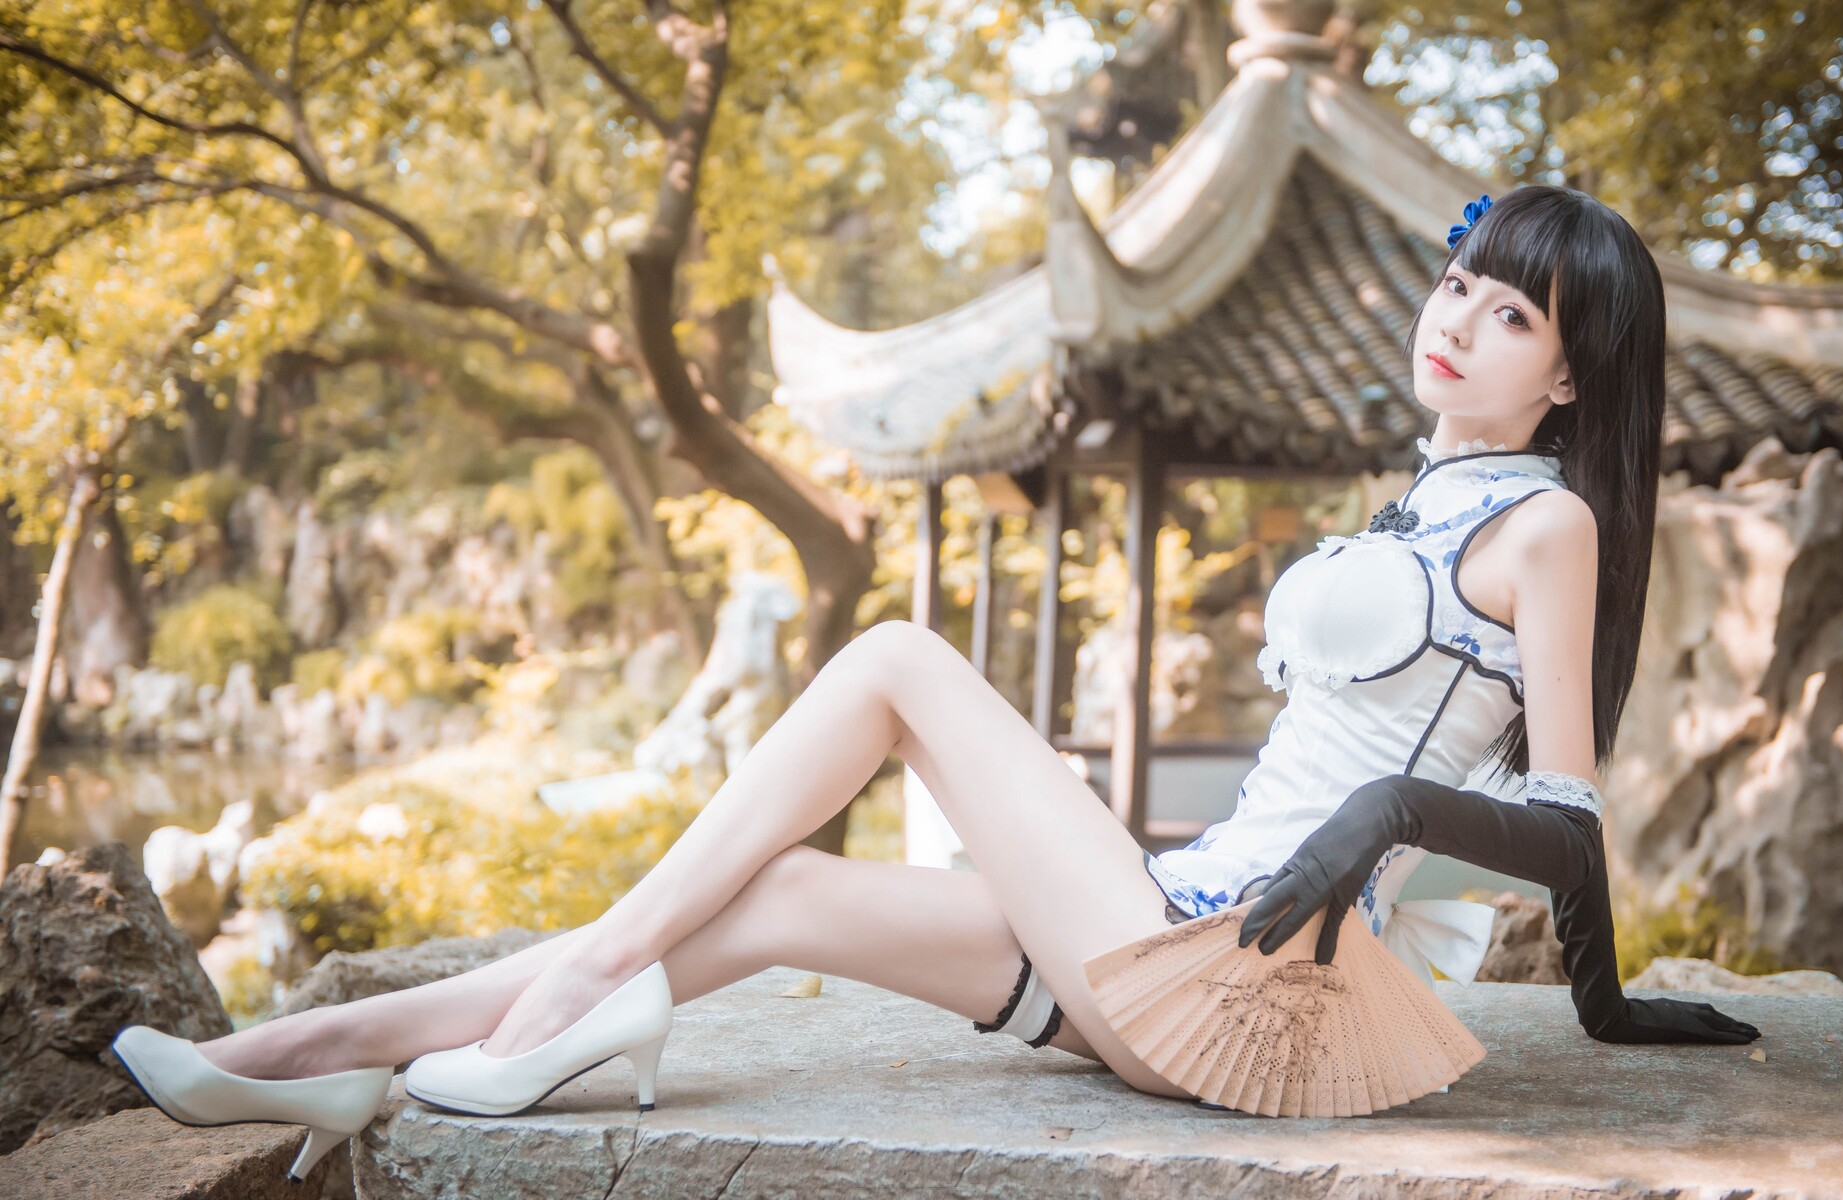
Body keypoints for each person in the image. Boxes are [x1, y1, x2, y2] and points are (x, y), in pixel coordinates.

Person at [110, 184, 1756, 1180]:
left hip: (1251, 985)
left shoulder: (1545, 525)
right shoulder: (1426, 501)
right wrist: (1611, 1008)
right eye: (1459, 281)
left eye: (1511, 313)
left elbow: (1564, 821)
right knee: (779, 897)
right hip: (1178, 926)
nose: (1456, 318)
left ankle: (574, 994)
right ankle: (322, 1054)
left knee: (897, 658)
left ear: (1569, 376)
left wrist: (1395, 820)